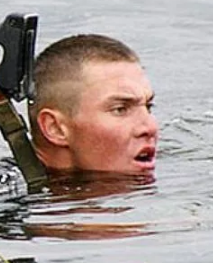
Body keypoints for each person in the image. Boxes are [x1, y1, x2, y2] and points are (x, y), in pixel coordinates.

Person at [27, 34, 158, 176]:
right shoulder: (6, 191)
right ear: (56, 128)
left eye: (148, 106)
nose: (151, 128)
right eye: (120, 109)